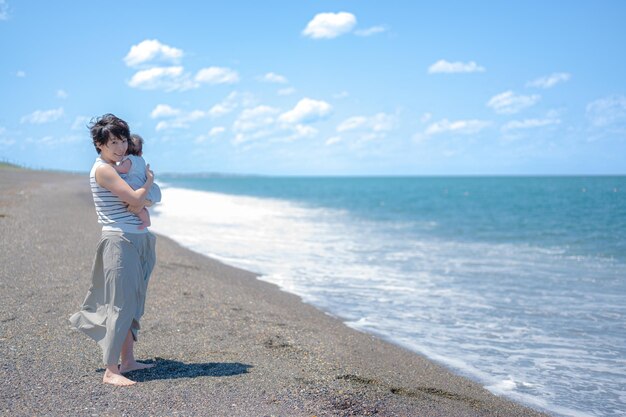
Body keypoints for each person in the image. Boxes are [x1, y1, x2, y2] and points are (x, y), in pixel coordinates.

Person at [69, 114, 157, 386]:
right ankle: (111, 370)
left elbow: (147, 202)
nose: (120, 147)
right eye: (113, 142)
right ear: (99, 144)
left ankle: (127, 360)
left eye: (122, 141)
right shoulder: (103, 169)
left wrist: (144, 196)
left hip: (138, 237)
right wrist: (149, 182)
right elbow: (135, 198)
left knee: (133, 302)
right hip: (119, 240)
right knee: (119, 303)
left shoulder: (123, 167)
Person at [113, 133, 161, 229]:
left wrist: (113, 167)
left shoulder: (129, 159)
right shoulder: (142, 160)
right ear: (140, 153)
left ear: (125, 150)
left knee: (136, 206)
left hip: (134, 187)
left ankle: (145, 221)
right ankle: (146, 221)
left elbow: (124, 169)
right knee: (141, 209)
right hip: (142, 187)